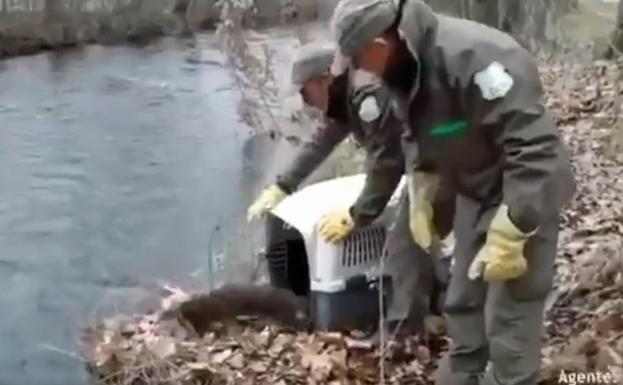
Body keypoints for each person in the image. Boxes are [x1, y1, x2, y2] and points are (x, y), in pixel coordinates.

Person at [328, 0, 576, 384]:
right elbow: (415, 134)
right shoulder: (403, 69)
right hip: (474, 192)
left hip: (525, 193)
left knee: (508, 321)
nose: (360, 71)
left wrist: (513, 227)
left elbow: (535, 149)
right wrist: (424, 185)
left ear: (380, 44)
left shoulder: (478, 58)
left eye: (359, 59)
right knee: (463, 305)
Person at [246, 41, 454, 342]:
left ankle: (403, 333)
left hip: (453, 149)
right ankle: (438, 310)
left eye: (305, 92)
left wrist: (357, 216)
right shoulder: (343, 97)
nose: (304, 103)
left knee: (405, 240)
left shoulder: (368, 94)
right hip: (432, 153)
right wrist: (282, 186)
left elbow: (388, 162)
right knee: (423, 231)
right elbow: (320, 143)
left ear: (324, 79)